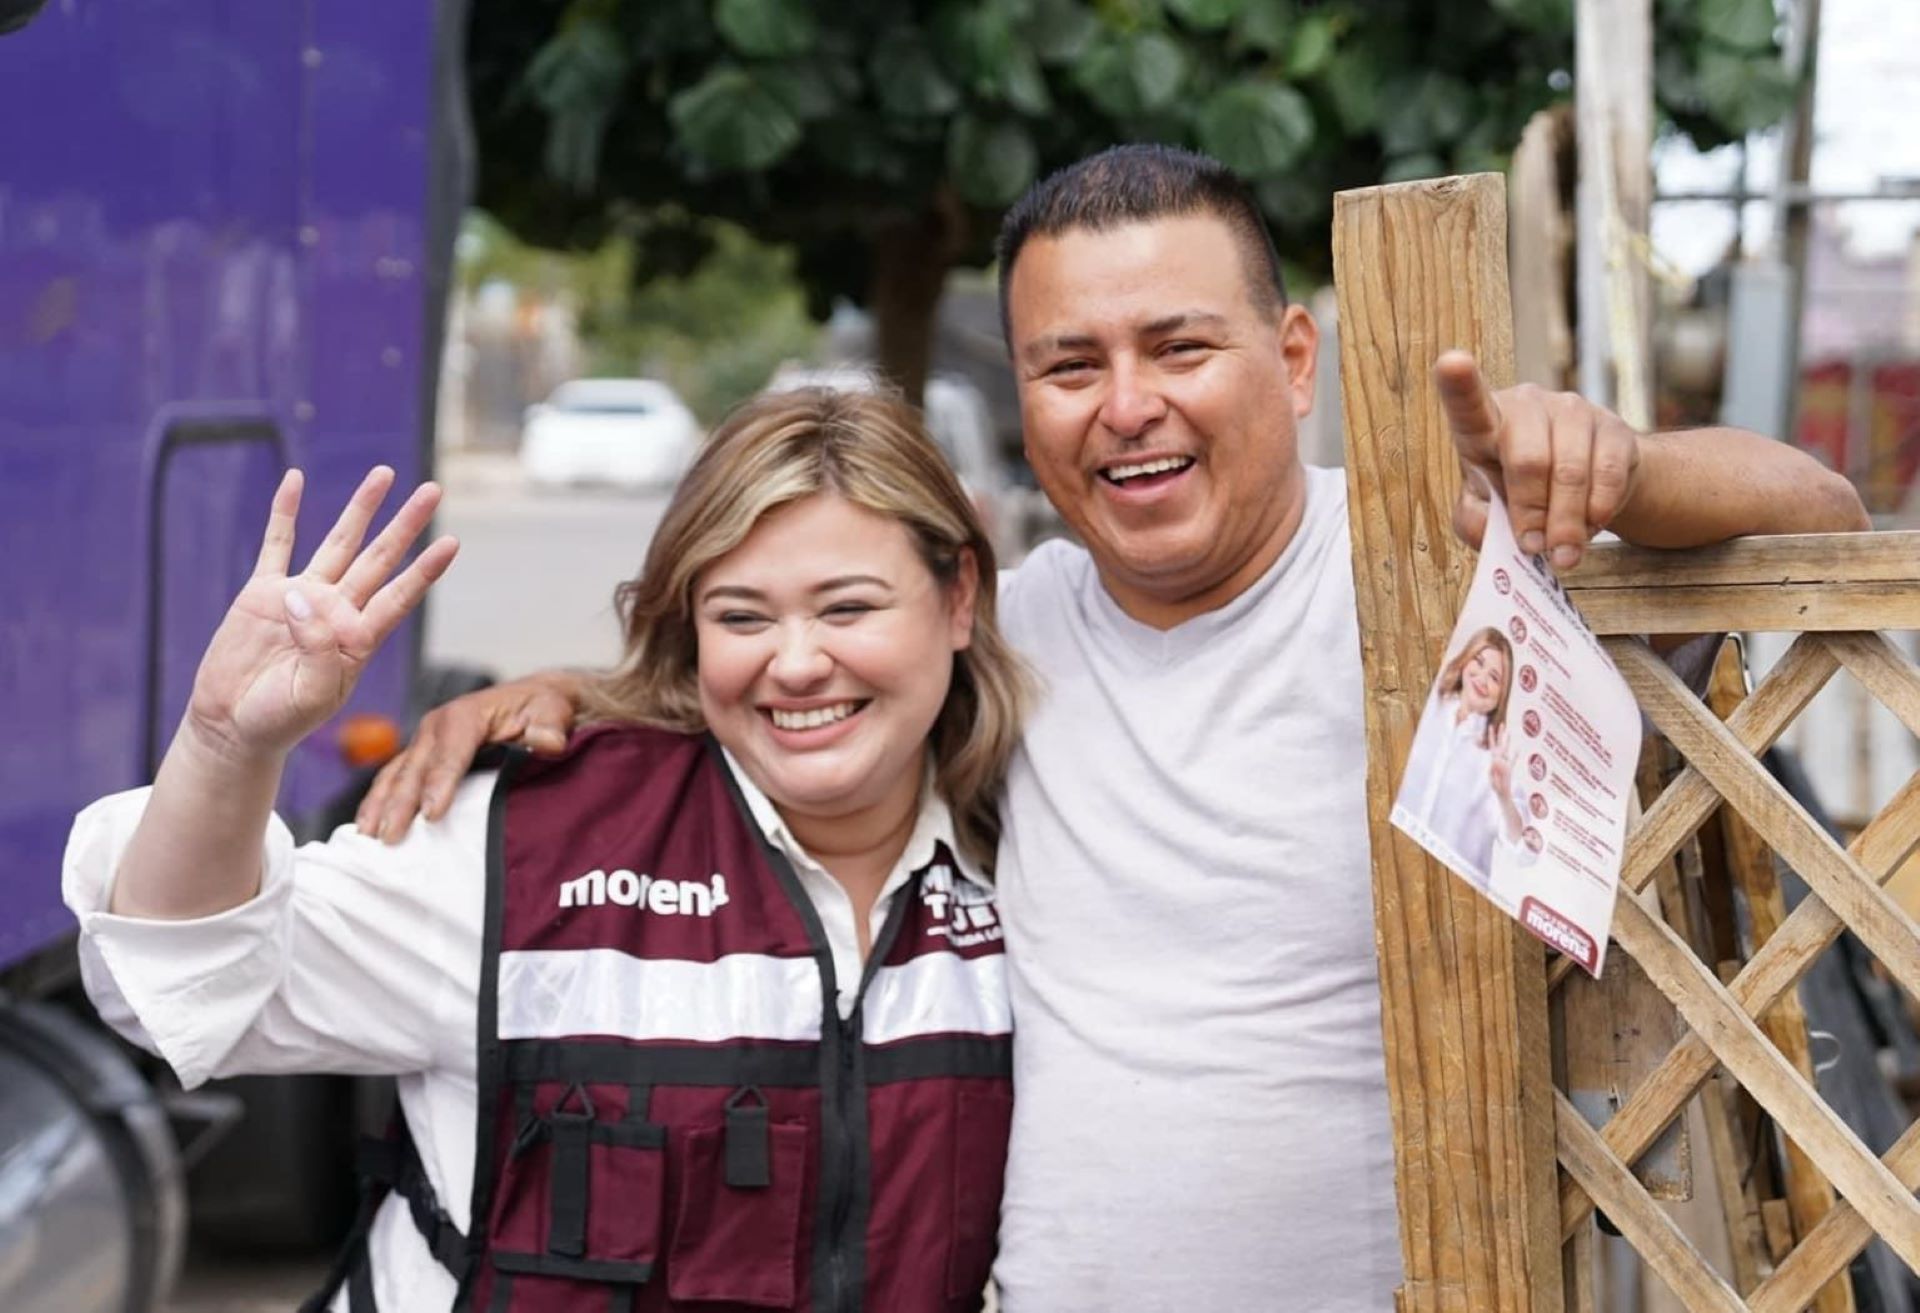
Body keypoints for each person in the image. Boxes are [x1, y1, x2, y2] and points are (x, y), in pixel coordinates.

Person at [359, 146, 1870, 1311]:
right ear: (1022, 398)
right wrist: (573, 692)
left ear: (1291, 359)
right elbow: (797, 660)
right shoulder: (1004, 633)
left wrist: (1624, 467)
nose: (1125, 406)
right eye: (1070, 367)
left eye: (1179, 348)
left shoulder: (1440, 590)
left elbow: (1820, 517)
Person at [63, 388, 1031, 1312]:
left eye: (849, 606)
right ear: (688, 629)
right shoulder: (523, 842)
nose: (797, 660)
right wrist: (228, 743)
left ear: (958, 600)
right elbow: (179, 977)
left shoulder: (1035, 858)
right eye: (741, 615)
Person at [1396, 627, 1528, 884]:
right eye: (1478, 662)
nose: (1482, 679)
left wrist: (1504, 796)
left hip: (1452, 890)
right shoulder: (1423, 706)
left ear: (1503, 694)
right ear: (1466, 658)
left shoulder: (1495, 759)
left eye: (1495, 677)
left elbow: (1519, 846)